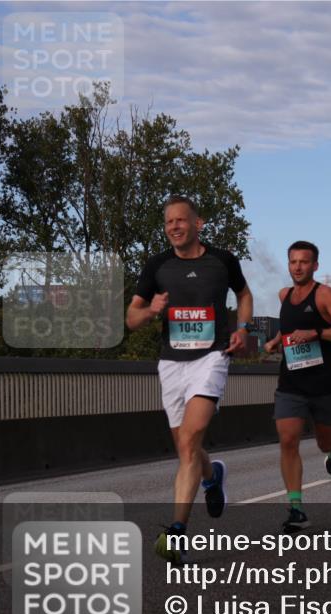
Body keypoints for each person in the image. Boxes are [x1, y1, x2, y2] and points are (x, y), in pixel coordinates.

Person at [127, 195, 253, 564]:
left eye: (181, 221)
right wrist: (150, 310)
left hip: (211, 357)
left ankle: (177, 531)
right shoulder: (157, 266)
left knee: (193, 436)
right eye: (168, 222)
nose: (174, 227)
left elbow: (244, 294)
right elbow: (130, 319)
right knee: (185, 448)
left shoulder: (222, 261)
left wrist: (242, 328)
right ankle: (212, 476)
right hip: (171, 363)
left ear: (198, 224)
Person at [263, 241, 331, 533]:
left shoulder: (324, 294)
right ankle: (296, 507)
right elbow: (290, 327)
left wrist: (315, 332)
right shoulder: (284, 295)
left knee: (324, 441)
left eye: (304, 262)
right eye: (293, 262)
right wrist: (277, 341)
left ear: (315, 265)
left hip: (322, 383)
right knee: (288, 439)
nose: (298, 267)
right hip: (290, 382)